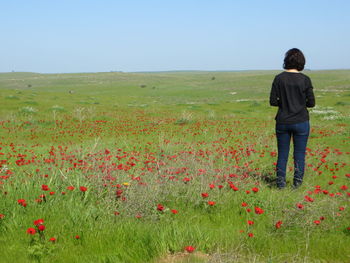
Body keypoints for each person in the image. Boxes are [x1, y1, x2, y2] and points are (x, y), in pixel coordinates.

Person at [269, 48, 315, 189]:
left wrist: (284, 103)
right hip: (301, 121)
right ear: (301, 62)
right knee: (299, 154)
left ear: (286, 61)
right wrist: (301, 103)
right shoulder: (305, 80)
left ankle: (281, 184)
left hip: (283, 121)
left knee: (282, 154)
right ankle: (297, 184)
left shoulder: (279, 78)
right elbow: (311, 103)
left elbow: (273, 101)